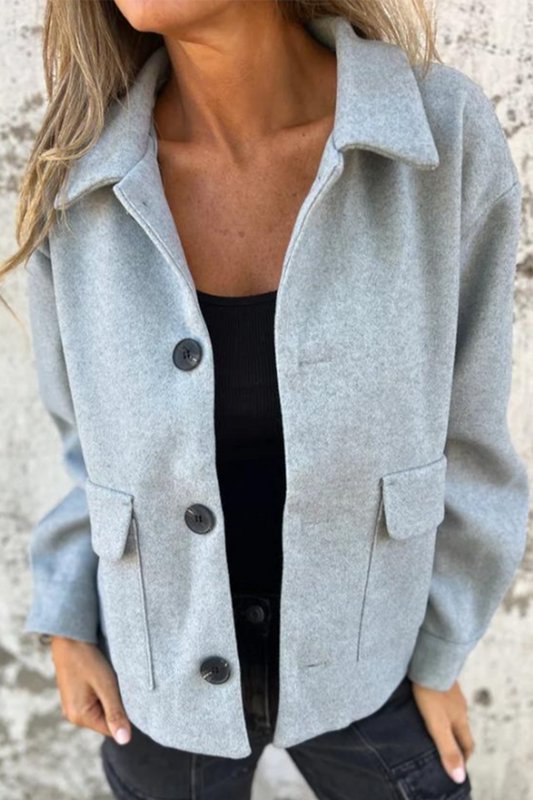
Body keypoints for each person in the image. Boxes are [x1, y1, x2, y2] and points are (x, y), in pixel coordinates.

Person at [2, 1, 528, 798]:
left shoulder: (436, 135)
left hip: (376, 661)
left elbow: (471, 433)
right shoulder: (79, 171)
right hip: (159, 671)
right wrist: (67, 619)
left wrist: (440, 652)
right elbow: (84, 443)